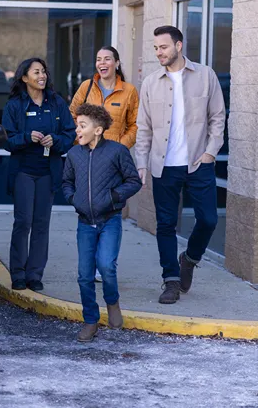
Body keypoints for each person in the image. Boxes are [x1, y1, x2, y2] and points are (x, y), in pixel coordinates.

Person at [135, 25, 226, 305]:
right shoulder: (151, 82)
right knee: (165, 225)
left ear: (178, 46)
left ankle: (190, 258)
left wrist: (211, 152)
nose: (158, 52)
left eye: (163, 47)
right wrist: (141, 163)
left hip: (199, 163)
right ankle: (171, 281)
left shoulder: (205, 75)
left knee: (209, 219)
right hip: (163, 166)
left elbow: (218, 117)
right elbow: (144, 128)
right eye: (155, 48)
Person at [62, 103, 142, 342]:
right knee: (84, 275)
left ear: (98, 130)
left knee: (106, 266)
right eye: (77, 125)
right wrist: (73, 199)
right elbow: (66, 182)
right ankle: (90, 321)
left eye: (82, 125)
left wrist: (113, 197)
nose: (78, 130)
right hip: (85, 222)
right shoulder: (75, 153)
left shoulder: (117, 151)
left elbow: (133, 181)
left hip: (110, 220)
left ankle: (112, 302)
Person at [2, 57, 77, 291]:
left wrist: (55, 141)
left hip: (48, 172)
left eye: (43, 71)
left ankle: (35, 274)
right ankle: (18, 273)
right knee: (23, 222)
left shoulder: (56, 103)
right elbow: (7, 140)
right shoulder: (15, 105)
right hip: (23, 171)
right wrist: (27, 137)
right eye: (36, 72)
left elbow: (69, 134)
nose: (41, 76)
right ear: (24, 77)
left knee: (41, 223)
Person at [69, 45, 140, 283]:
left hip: (114, 161)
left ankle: (107, 261)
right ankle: (93, 261)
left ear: (117, 63)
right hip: (88, 157)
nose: (103, 63)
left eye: (107, 59)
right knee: (90, 204)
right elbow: (72, 115)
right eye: (99, 59)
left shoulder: (129, 91)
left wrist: (120, 146)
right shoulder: (86, 87)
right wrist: (80, 140)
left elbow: (135, 124)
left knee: (111, 207)